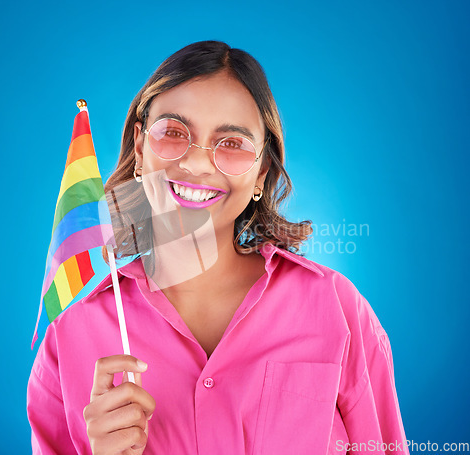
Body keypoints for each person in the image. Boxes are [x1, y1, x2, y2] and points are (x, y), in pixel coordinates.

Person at [27, 41, 409, 455]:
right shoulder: (67, 344)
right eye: (173, 133)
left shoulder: (338, 309)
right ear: (140, 149)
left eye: (232, 143)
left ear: (262, 172)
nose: (197, 163)